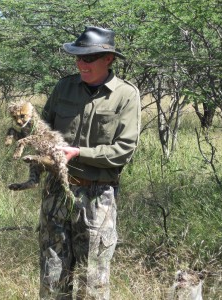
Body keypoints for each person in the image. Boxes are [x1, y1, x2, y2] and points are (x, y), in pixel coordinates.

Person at [39, 26, 141, 299]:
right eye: (78, 58)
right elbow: (44, 128)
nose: (81, 63)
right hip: (57, 190)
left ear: (108, 58)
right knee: (52, 273)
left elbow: (123, 150)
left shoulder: (126, 94)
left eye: (88, 58)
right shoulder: (64, 87)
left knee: (92, 278)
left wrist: (79, 153)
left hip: (98, 196)